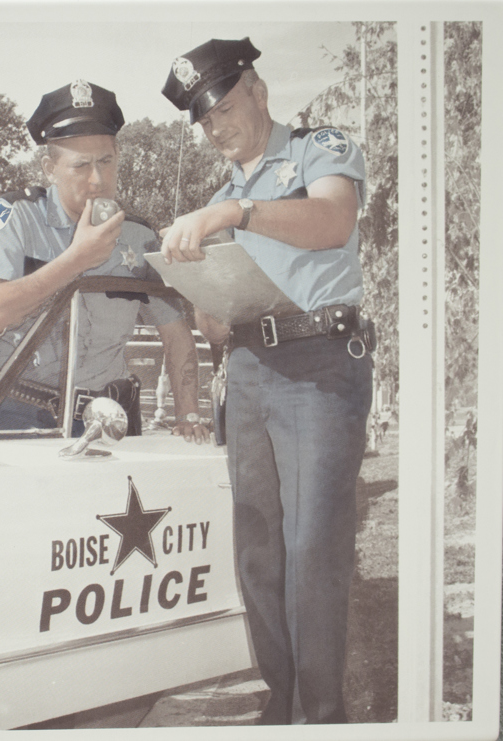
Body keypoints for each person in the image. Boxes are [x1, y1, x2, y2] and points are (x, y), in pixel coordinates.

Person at [160, 39, 374, 724]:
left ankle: (322, 714)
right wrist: (197, 286)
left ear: (258, 91)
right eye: (205, 121)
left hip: (320, 365)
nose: (217, 128)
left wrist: (236, 216)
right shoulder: (220, 196)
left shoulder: (319, 149)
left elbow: (333, 218)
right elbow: (218, 327)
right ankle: (281, 707)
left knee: (312, 549)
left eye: (224, 107)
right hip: (248, 368)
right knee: (258, 549)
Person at [0, 80, 208, 443]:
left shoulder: (138, 237)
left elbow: (175, 332)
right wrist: (76, 260)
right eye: (81, 166)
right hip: (15, 411)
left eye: (106, 162)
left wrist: (188, 414)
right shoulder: (15, 218)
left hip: (110, 419)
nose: (97, 180)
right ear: (49, 167)